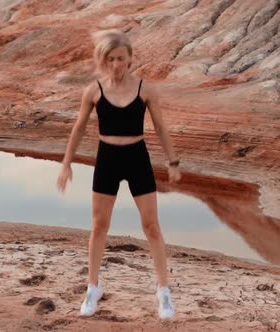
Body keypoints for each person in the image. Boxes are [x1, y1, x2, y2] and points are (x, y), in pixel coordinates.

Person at [56, 28, 182, 320]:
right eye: (110, 58)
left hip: (137, 158)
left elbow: (161, 128)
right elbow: (78, 129)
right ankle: (93, 288)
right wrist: (66, 163)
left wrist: (173, 161)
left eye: (121, 58)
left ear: (130, 59)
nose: (116, 64)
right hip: (107, 159)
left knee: (151, 226)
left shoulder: (145, 90)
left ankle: (163, 291)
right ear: (103, 60)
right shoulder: (94, 91)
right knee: (99, 226)